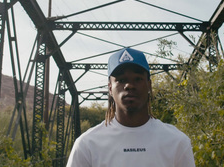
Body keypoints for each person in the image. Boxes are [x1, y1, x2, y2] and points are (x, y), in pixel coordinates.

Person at [66, 48, 195, 167]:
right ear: (110, 88)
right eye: (121, 80)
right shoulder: (87, 145)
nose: (129, 85)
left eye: (138, 79)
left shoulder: (177, 142)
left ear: (149, 85)